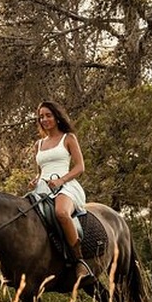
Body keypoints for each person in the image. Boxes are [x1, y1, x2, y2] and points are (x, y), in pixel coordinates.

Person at [29, 101, 94, 283]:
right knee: (25, 216)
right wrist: (36, 179)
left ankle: (80, 261)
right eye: (41, 116)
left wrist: (61, 180)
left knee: (61, 213)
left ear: (57, 117)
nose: (44, 119)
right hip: (43, 188)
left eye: (48, 115)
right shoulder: (39, 144)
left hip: (66, 185)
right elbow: (41, 170)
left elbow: (80, 167)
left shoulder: (68, 138)